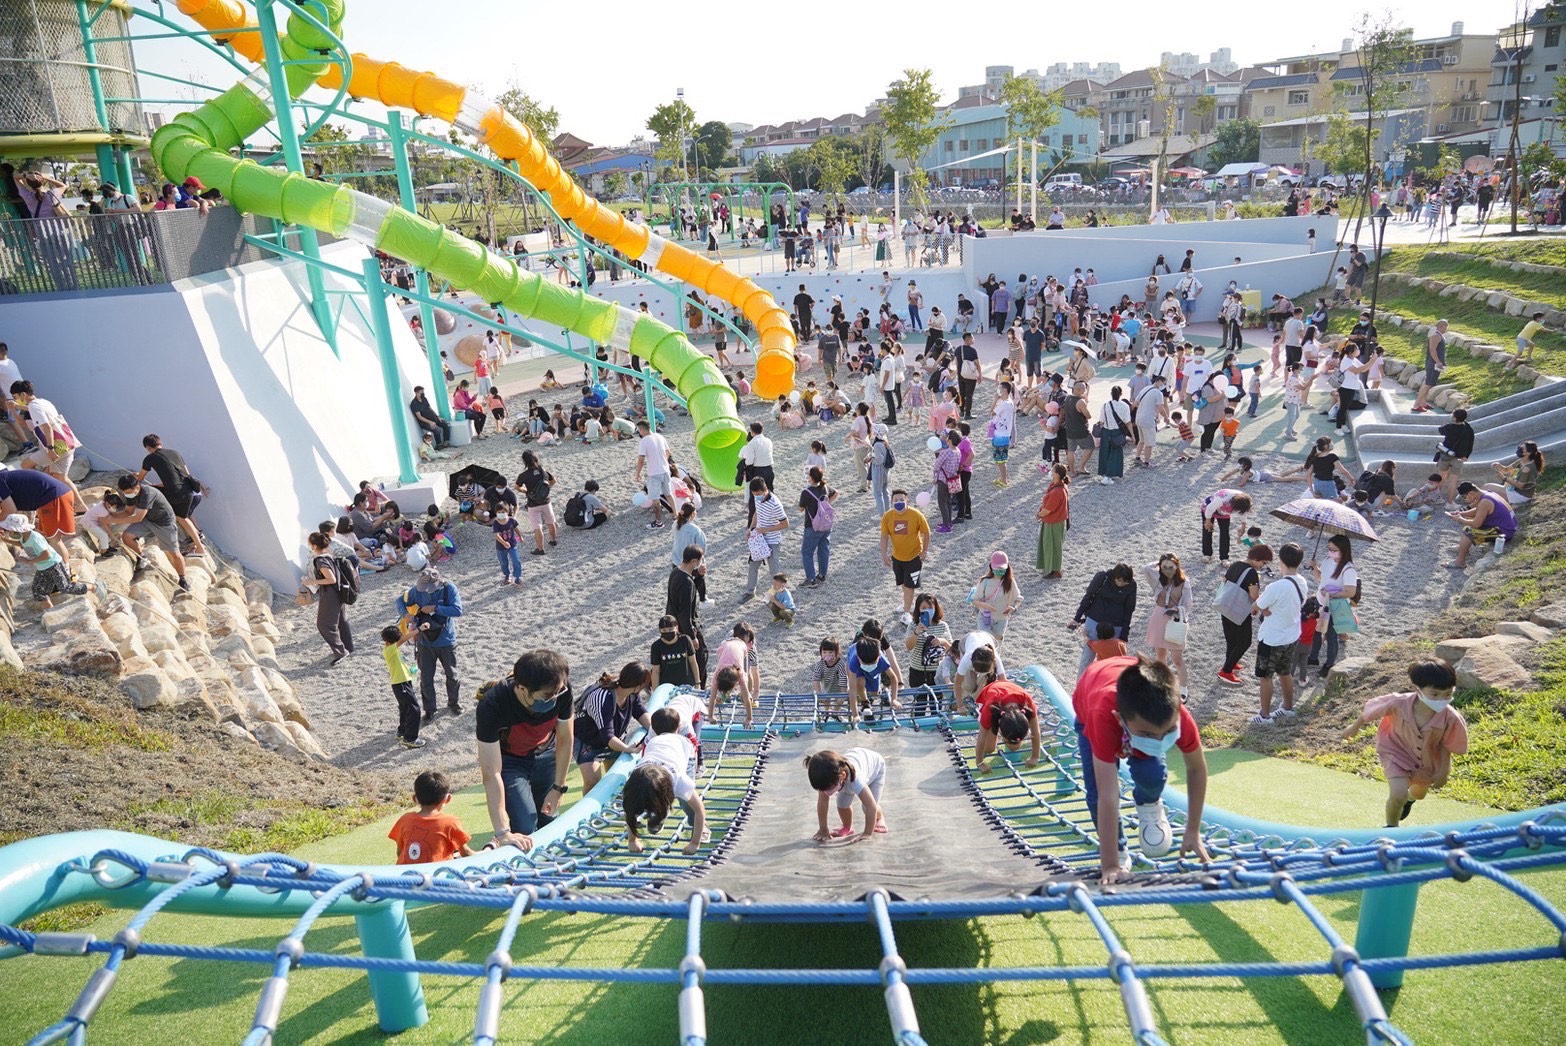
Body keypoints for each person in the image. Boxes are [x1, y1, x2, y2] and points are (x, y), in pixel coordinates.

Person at [1073, 654, 1210, 881]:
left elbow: (1196, 768)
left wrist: (1193, 830)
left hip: (1132, 700)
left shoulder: (1177, 716)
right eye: (1148, 735)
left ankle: (1149, 804)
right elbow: (1108, 795)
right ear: (1120, 720)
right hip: (1090, 704)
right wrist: (1110, 865)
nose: (1158, 740)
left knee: (1152, 773)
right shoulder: (1103, 715)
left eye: (1167, 732)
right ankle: (1117, 849)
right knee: (1096, 792)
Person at [1341, 660, 1468, 827]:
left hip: (1427, 759)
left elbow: (1447, 744)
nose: (1442, 699)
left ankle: (1409, 800)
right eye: (1435, 694)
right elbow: (1373, 710)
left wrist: (1444, 770)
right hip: (1396, 751)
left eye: (1448, 694)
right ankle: (1391, 828)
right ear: (1418, 690)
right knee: (1398, 794)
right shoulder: (1398, 702)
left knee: (1418, 793)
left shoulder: (1450, 717)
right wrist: (1354, 727)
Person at [475, 649, 574, 851]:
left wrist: (558, 788)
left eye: (557, 692)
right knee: (524, 828)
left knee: (549, 819)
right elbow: (491, 773)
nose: (554, 699)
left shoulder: (561, 690)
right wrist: (503, 832)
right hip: (511, 762)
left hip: (547, 752)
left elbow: (565, 738)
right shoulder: (493, 705)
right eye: (546, 696)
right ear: (521, 688)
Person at [624, 709, 708, 854]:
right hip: (654, 750)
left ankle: (661, 813)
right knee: (643, 801)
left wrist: (695, 843)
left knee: (685, 802)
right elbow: (629, 810)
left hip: (683, 754)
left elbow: (699, 810)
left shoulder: (680, 781)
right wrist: (632, 840)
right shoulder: (636, 778)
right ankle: (657, 814)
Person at [397, 567, 464, 721]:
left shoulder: (449, 589)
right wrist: (405, 614)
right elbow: (399, 600)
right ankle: (429, 709)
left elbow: (457, 610)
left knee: (452, 674)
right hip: (424, 641)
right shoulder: (416, 591)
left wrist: (435, 608)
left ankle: (453, 702)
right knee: (426, 678)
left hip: (446, 640)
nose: (426, 591)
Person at [573, 663, 653, 791]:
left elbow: (640, 712)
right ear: (638, 686)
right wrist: (627, 748)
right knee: (592, 782)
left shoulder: (632, 694)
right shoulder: (604, 699)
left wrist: (654, 729)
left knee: (617, 780)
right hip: (587, 740)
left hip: (614, 737)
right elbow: (607, 736)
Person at [1252, 542, 1306, 722]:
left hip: (1271, 638)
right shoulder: (1302, 582)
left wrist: (1263, 608)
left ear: (1280, 561)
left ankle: (1265, 715)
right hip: (1291, 636)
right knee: (1285, 672)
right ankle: (1288, 707)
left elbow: (1256, 606)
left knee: (1265, 676)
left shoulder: (1276, 586)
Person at [112, 474, 191, 591]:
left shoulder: (148, 493)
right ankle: (142, 557)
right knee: (127, 536)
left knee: (174, 553)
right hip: (148, 520)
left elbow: (137, 517)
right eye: (125, 492)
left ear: (137, 487)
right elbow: (128, 512)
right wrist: (112, 515)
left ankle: (183, 579)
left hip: (164, 523)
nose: (127, 494)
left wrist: (112, 520)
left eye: (129, 492)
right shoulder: (130, 494)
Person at [136, 434, 206, 557]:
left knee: (168, 513)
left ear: (147, 447)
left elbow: (140, 478)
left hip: (175, 493)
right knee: (183, 518)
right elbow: (185, 474)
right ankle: (198, 544)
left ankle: (191, 547)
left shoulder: (150, 458)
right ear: (160, 443)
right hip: (189, 490)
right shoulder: (175, 453)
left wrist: (134, 476)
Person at [0, 513, 87, 610]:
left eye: (9, 530)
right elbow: (21, 543)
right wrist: (5, 540)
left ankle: (92, 588)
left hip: (54, 565)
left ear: (17, 530)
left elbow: (47, 555)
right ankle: (50, 610)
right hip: (43, 567)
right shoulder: (24, 536)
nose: (7, 532)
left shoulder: (35, 539)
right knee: (38, 591)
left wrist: (29, 561)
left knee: (65, 587)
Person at [388, 771, 475, 864]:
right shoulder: (450, 822)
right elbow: (466, 853)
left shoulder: (405, 820)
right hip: (436, 876)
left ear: (415, 798)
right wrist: (487, 852)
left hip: (405, 876)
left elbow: (400, 852)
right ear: (448, 798)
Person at [1216, 545, 1271, 685]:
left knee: (1231, 639)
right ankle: (1226, 671)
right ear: (1256, 558)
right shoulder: (1251, 572)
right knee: (1245, 642)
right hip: (1239, 609)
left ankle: (1231, 662)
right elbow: (1253, 595)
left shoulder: (1235, 564)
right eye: (1263, 562)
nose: (1262, 566)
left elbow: (1225, 581)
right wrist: (1261, 607)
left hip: (1226, 605)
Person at [0, 467, 77, 565]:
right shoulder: (5, 478)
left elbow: (10, 509)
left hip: (53, 497)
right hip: (51, 496)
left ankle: (66, 571)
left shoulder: (0, 481)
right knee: (47, 536)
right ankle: (56, 566)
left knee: (54, 539)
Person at [806, 748, 887, 840]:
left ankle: (879, 818)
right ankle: (847, 827)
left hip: (875, 769)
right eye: (822, 789)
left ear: (843, 776)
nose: (826, 792)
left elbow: (871, 806)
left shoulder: (856, 780)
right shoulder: (826, 778)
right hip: (856, 760)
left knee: (867, 807)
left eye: (829, 788)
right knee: (842, 803)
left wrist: (867, 833)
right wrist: (823, 829)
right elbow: (823, 801)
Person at [1142, 555, 1193, 701]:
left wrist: (1176, 609)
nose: (1167, 570)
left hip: (1175, 618)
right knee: (1160, 655)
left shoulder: (1184, 582)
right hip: (1159, 616)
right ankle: (1163, 684)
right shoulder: (1158, 578)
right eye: (1164, 567)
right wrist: (1160, 561)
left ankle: (1183, 688)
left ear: (1177, 566)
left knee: (1177, 658)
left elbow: (1188, 604)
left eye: (1171, 567)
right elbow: (1145, 568)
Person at [879, 487, 931, 622]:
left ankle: (908, 612)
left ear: (907, 500)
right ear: (891, 501)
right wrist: (884, 553)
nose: (899, 502)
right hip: (897, 557)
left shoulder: (916, 515)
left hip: (914, 557)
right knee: (903, 583)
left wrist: (924, 551)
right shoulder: (887, 517)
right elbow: (884, 536)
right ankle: (907, 603)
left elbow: (926, 533)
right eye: (896, 500)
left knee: (909, 585)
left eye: (902, 499)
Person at [972, 679, 1042, 773]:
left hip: (1008, 692)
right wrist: (979, 763)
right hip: (990, 693)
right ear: (1000, 731)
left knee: (1014, 747)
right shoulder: (989, 707)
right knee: (989, 749)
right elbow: (981, 736)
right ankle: (995, 728)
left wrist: (1035, 756)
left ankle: (1000, 733)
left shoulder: (1027, 702)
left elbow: (1036, 731)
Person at [1447, 481, 1519, 569]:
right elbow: (1478, 510)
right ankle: (1463, 547)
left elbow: (1476, 524)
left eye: (1464, 497)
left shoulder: (1485, 501)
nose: (1465, 500)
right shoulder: (1487, 494)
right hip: (1506, 526)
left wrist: (1460, 519)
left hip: (1504, 533)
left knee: (1468, 532)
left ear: (1471, 493)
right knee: (1469, 522)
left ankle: (1460, 561)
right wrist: (1461, 513)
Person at [380, 624, 425, 748]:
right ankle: (410, 738)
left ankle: (402, 731)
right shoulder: (390, 649)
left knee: (405, 708)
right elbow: (404, 639)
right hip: (401, 683)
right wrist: (419, 629)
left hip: (401, 682)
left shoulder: (389, 648)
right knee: (414, 709)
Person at [845, 634, 901, 724]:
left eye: (871, 663)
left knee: (874, 694)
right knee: (859, 683)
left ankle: (866, 695)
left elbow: (893, 678)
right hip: (858, 669)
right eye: (866, 664)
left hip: (874, 671)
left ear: (878, 655)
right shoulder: (854, 661)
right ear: (858, 657)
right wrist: (855, 715)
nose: (869, 666)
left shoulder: (881, 660)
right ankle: (865, 702)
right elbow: (852, 690)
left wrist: (894, 699)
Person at [971, 550, 1023, 643]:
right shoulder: (984, 581)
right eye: (997, 568)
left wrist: (1013, 608)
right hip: (985, 617)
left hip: (1001, 619)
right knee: (986, 642)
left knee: (996, 647)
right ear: (991, 567)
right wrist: (986, 606)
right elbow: (974, 600)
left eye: (1002, 569)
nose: (999, 571)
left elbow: (1018, 599)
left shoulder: (1010, 582)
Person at [797, 465, 836, 587]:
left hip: (812, 526)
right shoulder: (825, 488)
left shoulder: (806, 492)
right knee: (823, 549)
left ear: (811, 478)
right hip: (826, 524)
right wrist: (826, 504)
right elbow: (836, 493)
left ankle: (811, 579)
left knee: (807, 552)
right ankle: (822, 575)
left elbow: (801, 509)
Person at [634, 420, 673, 529]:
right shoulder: (660, 436)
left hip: (654, 473)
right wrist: (662, 460)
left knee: (655, 499)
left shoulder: (644, 441)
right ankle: (676, 515)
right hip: (665, 470)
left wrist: (638, 473)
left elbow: (641, 459)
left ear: (641, 430)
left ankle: (658, 522)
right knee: (669, 494)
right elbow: (668, 452)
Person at [1199, 488, 1252, 565]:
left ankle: (1224, 558)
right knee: (1208, 530)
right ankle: (1207, 554)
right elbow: (1209, 509)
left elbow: (1243, 512)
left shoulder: (1245, 502)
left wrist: (1243, 525)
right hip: (1208, 508)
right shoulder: (1223, 499)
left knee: (1225, 533)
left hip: (1224, 513)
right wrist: (1208, 521)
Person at [1035, 464, 1070, 578]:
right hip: (1054, 521)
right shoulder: (1058, 486)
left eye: (1053, 470)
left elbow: (1049, 509)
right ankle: (1051, 567)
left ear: (1057, 474)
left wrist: (1039, 514)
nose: (1051, 472)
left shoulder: (1057, 491)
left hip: (1053, 522)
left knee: (1052, 545)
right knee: (1051, 545)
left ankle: (1054, 570)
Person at [1486, 441, 1544, 507]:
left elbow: (1520, 486)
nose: (1519, 450)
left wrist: (1504, 478)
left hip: (1521, 495)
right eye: (1519, 447)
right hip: (1514, 490)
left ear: (1528, 453)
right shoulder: (1521, 461)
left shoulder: (1527, 468)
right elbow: (1506, 470)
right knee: (1489, 494)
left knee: (1487, 487)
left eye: (1522, 449)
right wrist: (1498, 465)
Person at [1435, 408, 1476, 503]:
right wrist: (1466, 456)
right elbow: (1470, 443)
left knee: (1441, 478)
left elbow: (1440, 430)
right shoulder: (1468, 429)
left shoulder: (1448, 427)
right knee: (1453, 481)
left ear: (1454, 418)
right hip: (1458, 458)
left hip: (1445, 455)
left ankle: (1436, 498)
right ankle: (1450, 502)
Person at [1412, 320, 1449, 413]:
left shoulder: (1440, 336)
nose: (1446, 328)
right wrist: (1438, 362)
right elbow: (1432, 350)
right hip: (1433, 364)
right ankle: (1416, 404)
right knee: (1428, 384)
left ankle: (1423, 403)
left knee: (1428, 383)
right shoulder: (1436, 336)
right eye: (1445, 326)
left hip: (1434, 363)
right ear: (1441, 326)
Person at [492, 506, 523, 586]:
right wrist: (504, 542)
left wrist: (520, 536)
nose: (501, 514)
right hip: (501, 547)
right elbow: (497, 535)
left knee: (516, 560)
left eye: (503, 512)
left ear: (507, 512)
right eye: (499, 512)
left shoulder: (512, 520)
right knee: (503, 562)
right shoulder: (496, 523)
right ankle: (507, 575)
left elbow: (516, 528)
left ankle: (517, 577)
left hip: (512, 544)